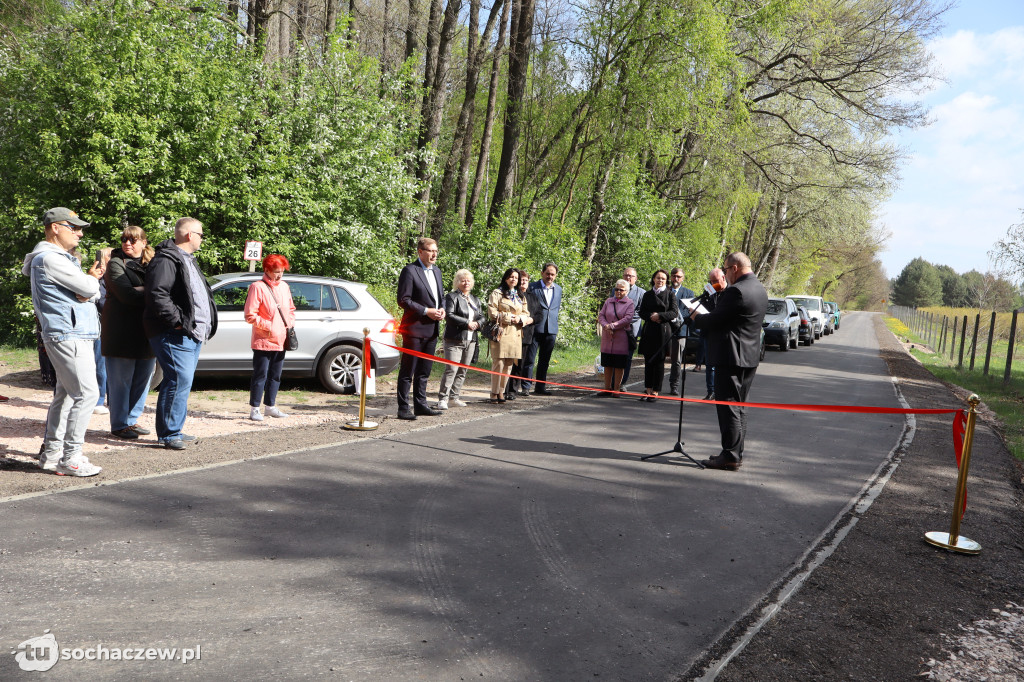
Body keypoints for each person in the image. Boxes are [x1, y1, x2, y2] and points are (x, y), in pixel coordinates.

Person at [22, 207, 103, 476]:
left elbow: (87, 293)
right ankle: (71, 457)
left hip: (69, 332)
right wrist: (89, 283)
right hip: (69, 333)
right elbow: (91, 289)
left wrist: (86, 289)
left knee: (67, 393)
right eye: (74, 227)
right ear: (55, 228)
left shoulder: (55, 258)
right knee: (88, 393)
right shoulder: (51, 259)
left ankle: (52, 454)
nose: (80, 233)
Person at [143, 217, 218, 450]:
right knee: (178, 380)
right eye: (201, 234)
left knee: (182, 381)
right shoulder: (166, 259)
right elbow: (157, 295)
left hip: (191, 333)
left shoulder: (187, 259)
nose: (202, 239)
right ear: (189, 235)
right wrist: (177, 323)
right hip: (173, 333)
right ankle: (168, 433)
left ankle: (173, 429)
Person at [690, 252, 769, 471]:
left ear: (734, 268)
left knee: (728, 408)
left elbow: (714, 320)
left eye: (725, 270)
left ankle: (730, 456)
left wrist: (696, 316)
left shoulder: (737, 291)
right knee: (740, 406)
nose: (724, 273)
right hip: (749, 356)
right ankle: (735, 451)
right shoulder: (759, 288)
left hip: (731, 357)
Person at [102, 226, 156, 440]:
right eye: (124, 239)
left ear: (144, 242)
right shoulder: (115, 263)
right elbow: (126, 295)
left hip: (146, 331)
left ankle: (131, 421)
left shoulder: (152, 263)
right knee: (120, 382)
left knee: (143, 380)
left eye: (133, 240)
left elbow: (166, 287)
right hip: (120, 333)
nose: (128, 243)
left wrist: (145, 290)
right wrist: (153, 292)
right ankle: (119, 424)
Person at [396, 237, 445, 420]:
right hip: (414, 329)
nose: (434, 254)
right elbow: (403, 300)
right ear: (420, 252)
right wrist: (426, 311)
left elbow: (441, 297)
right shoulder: (410, 271)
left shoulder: (437, 272)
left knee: (424, 370)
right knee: (408, 370)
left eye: (436, 251)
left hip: (432, 329)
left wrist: (442, 310)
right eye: (431, 251)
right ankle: (403, 407)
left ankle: (420, 404)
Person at [243, 254, 296, 421]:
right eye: (276, 272)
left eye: (282, 272)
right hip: (263, 340)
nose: (279, 275)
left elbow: (291, 309)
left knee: (276, 375)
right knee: (260, 375)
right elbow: (249, 315)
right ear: (267, 270)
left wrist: (290, 324)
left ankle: (270, 406)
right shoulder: (257, 287)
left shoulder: (284, 286)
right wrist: (269, 326)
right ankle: (254, 408)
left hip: (281, 339)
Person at [437, 269, 485, 410]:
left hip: (471, 340)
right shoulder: (452, 297)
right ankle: (442, 399)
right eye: (463, 280)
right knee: (451, 369)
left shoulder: (475, 299)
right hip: (454, 340)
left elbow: (482, 316)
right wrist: (466, 323)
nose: (466, 283)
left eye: (468, 280)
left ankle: (454, 397)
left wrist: (478, 323)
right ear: (457, 282)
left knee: (462, 370)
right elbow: (449, 315)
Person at [487, 268, 532, 403]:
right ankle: (494, 393)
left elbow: (526, 313)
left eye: (516, 278)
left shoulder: (520, 295)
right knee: (498, 363)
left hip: (516, 334)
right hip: (502, 332)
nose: (514, 280)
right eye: (511, 277)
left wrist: (519, 319)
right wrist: (509, 317)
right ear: (506, 278)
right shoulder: (497, 293)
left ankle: (501, 391)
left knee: (509, 364)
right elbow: (492, 312)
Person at [637, 270, 680, 401]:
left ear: (666, 280)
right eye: (658, 278)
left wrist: (660, 316)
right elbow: (641, 311)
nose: (660, 280)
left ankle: (656, 390)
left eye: (663, 278)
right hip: (649, 329)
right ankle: (648, 388)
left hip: (663, 331)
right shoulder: (647, 294)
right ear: (653, 279)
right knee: (648, 361)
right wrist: (651, 316)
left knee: (659, 362)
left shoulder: (670, 294)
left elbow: (674, 312)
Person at [525, 263, 562, 395]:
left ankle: (540, 387)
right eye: (547, 273)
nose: (549, 276)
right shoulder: (532, 287)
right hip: (534, 328)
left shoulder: (558, 289)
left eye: (552, 274)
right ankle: (526, 387)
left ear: (556, 275)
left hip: (551, 329)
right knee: (529, 359)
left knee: (544, 360)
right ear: (542, 273)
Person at [597, 279, 636, 395]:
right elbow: (601, 315)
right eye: (617, 289)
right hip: (607, 337)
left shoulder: (630, 303)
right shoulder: (608, 301)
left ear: (627, 291)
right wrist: (606, 325)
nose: (618, 291)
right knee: (607, 363)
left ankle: (616, 389)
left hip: (621, 338)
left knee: (619, 365)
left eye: (621, 290)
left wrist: (613, 326)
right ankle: (607, 388)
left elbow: (628, 318)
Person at [505, 269, 537, 400]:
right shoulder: (512, 294)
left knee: (520, 364)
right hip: (509, 333)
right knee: (507, 363)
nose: (523, 282)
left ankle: (513, 390)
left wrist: (530, 319)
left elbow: (538, 314)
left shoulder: (533, 297)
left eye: (525, 280)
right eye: (521, 280)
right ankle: (502, 390)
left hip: (526, 335)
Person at [697, 268, 727, 400]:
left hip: (723, 334)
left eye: (716, 281)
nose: (713, 283)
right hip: (708, 332)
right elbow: (703, 306)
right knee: (709, 364)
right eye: (711, 281)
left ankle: (722, 391)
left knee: (722, 364)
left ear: (724, 278)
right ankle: (711, 391)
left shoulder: (730, 292)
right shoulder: (709, 290)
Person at [92, 247, 113, 415]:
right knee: (101, 366)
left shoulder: (117, 278)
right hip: (100, 328)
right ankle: (99, 399)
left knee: (114, 366)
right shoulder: (98, 279)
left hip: (115, 328)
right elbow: (101, 303)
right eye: (110, 257)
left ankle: (113, 400)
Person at [668, 267, 696, 396]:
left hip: (680, 330)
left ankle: (674, 385)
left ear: (683, 278)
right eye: (674, 276)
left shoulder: (689, 293)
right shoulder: (665, 290)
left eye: (678, 276)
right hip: (664, 328)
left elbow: (690, 311)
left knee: (676, 360)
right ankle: (652, 386)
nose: (676, 278)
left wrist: (676, 317)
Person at [619, 267, 645, 387]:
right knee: (615, 357)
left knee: (627, 358)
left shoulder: (641, 293)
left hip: (631, 331)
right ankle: (612, 383)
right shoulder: (617, 289)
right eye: (626, 275)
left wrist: (624, 321)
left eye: (631, 276)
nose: (628, 278)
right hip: (616, 329)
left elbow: (640, 312)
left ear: (636, 278)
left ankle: (622, 383)